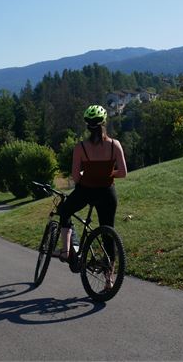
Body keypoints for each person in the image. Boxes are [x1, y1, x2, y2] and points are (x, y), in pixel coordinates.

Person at [54, 104, 127, 288]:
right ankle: (109, 280)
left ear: (87, 125)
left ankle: (65, 250)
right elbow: (123, 172)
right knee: (107, 232)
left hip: (86, 190)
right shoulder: (114, 145)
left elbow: (76, 177)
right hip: (107, 193)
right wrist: (107, 174)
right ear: (104, 123)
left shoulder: (81, 147)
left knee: (65, 210)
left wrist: (89, 177)